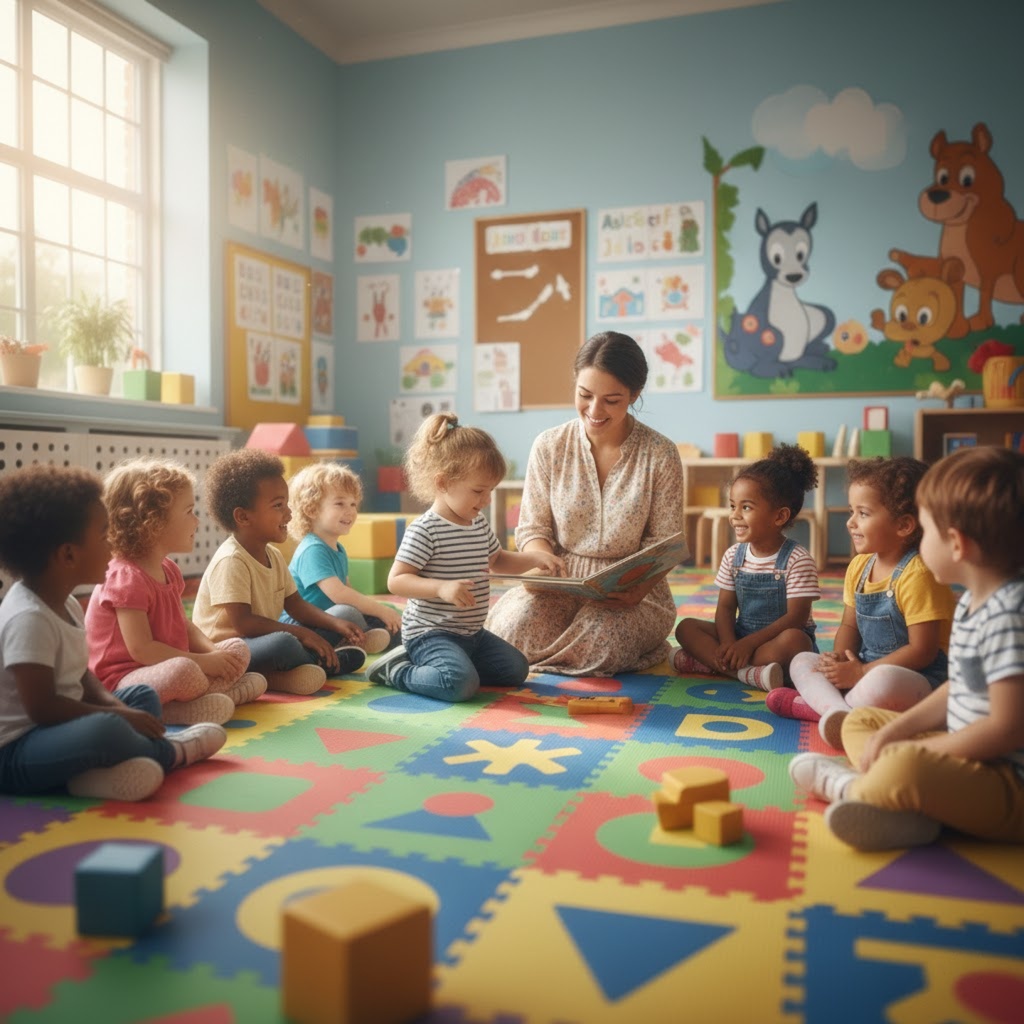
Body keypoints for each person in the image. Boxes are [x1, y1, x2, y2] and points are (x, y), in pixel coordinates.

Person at [789, 446, 1024, 851]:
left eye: (927, 531)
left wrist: (916, 748)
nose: (921, 542)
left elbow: (1006, 730)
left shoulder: (1009, 616)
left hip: (1005, 780)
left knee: (904, 762)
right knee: (860, 723)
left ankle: (852, 788)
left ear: (956, 544)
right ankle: (903, 805)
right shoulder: (976, 602)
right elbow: (959, 687)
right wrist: (896, 731)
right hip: (963, 750)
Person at [0, 465, 226, 802]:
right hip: (17, 751)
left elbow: (81, 674)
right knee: (106, 728)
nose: (112, 543)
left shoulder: (66, 603)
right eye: (103, 535)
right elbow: (43, 708)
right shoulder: (28, 619)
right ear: (68, 554)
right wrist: (116, 714)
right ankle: (170, 751)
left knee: (142, 698)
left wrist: (114, 704)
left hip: (60, 728)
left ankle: (88, 778)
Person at [486, 331, 685, 676]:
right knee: (514, 631)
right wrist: (543, 560)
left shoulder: (660, 454)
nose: (594, 410)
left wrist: (638, 589)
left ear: (634, 394)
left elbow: (664, 542)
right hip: (560, 581)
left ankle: (569, 657)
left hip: (629, 589)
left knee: (602, 639)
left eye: (612, 400)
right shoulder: (549, 445)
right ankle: (563, 660)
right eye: (585, 395)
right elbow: (533, 528)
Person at [368, 412, 563, 702]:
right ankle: (396, 669)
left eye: (490, 491)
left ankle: (455, 666)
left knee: (516, 670)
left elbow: (498, 560)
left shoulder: (477, 523)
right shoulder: (426, 529)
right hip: (430, 634)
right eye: (478, 491)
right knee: (458, 685)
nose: (486, 500)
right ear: (443, 482)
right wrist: (440, 588)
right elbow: (396, 581)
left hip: (472, 633)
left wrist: (535, 558)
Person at [773, 456, 956, 749]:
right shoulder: (859, 567)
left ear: (904, 525)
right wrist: (838, 660)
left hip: (920, 680)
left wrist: (861, 673)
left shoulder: (918, 575)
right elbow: (849, 626)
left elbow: (922, 651)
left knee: (883, 680)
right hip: (863, 670)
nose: (850, 522)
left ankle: (824, 709)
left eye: (863, 513)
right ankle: (841, 713)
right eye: (851, 511)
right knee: (802, 660)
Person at [86, 459, 267, 726]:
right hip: (123, 683)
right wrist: (204, 663)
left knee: (237, 649)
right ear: (153, 522)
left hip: (167, 667)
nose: (197, 521)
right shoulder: (125, 577)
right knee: (185, 671)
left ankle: (202, 700)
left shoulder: (168, 569)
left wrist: (214, 654)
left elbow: (182, 624)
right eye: (189, 511)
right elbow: (142, 650)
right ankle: (171, 711)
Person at [191, 449, 369, 696]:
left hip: (264, 636)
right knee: (284, 643)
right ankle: (316, 664)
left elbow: (296, 605)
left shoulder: (273, 555)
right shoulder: (231, 560)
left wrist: (335, 623)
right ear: (243, 517)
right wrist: (302, 634)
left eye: (286, 504)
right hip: (229, 650)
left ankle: (304, 668)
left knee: (345, 613)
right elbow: (244, 623)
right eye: (278, 506)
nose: (289, 513)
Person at [673, 444, 820, 691]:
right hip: (741, 635)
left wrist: (748, 645)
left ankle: (716, 665)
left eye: (747, 507)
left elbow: (796, 618)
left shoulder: (797, 559)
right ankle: (747, 673)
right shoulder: (733, 556)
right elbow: (725, 608)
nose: (735, 516)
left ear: (779, 517)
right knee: (686, 628)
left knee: (795, 641)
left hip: (775, 641)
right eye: (733, 506)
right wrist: (729, 643)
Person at [283, 462, 401, 654]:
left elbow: (349, 591)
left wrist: (381, 611)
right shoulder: (312, 549)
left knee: (384, 612)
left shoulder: (338, 549)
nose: (350, 511)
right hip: (304, 626)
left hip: (332, 621)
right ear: (312, 509)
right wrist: (379, 610)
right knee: (348, 612)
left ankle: (384, 639)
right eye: (340, 504)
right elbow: (340, 595)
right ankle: (362, 639)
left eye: (353, 504)